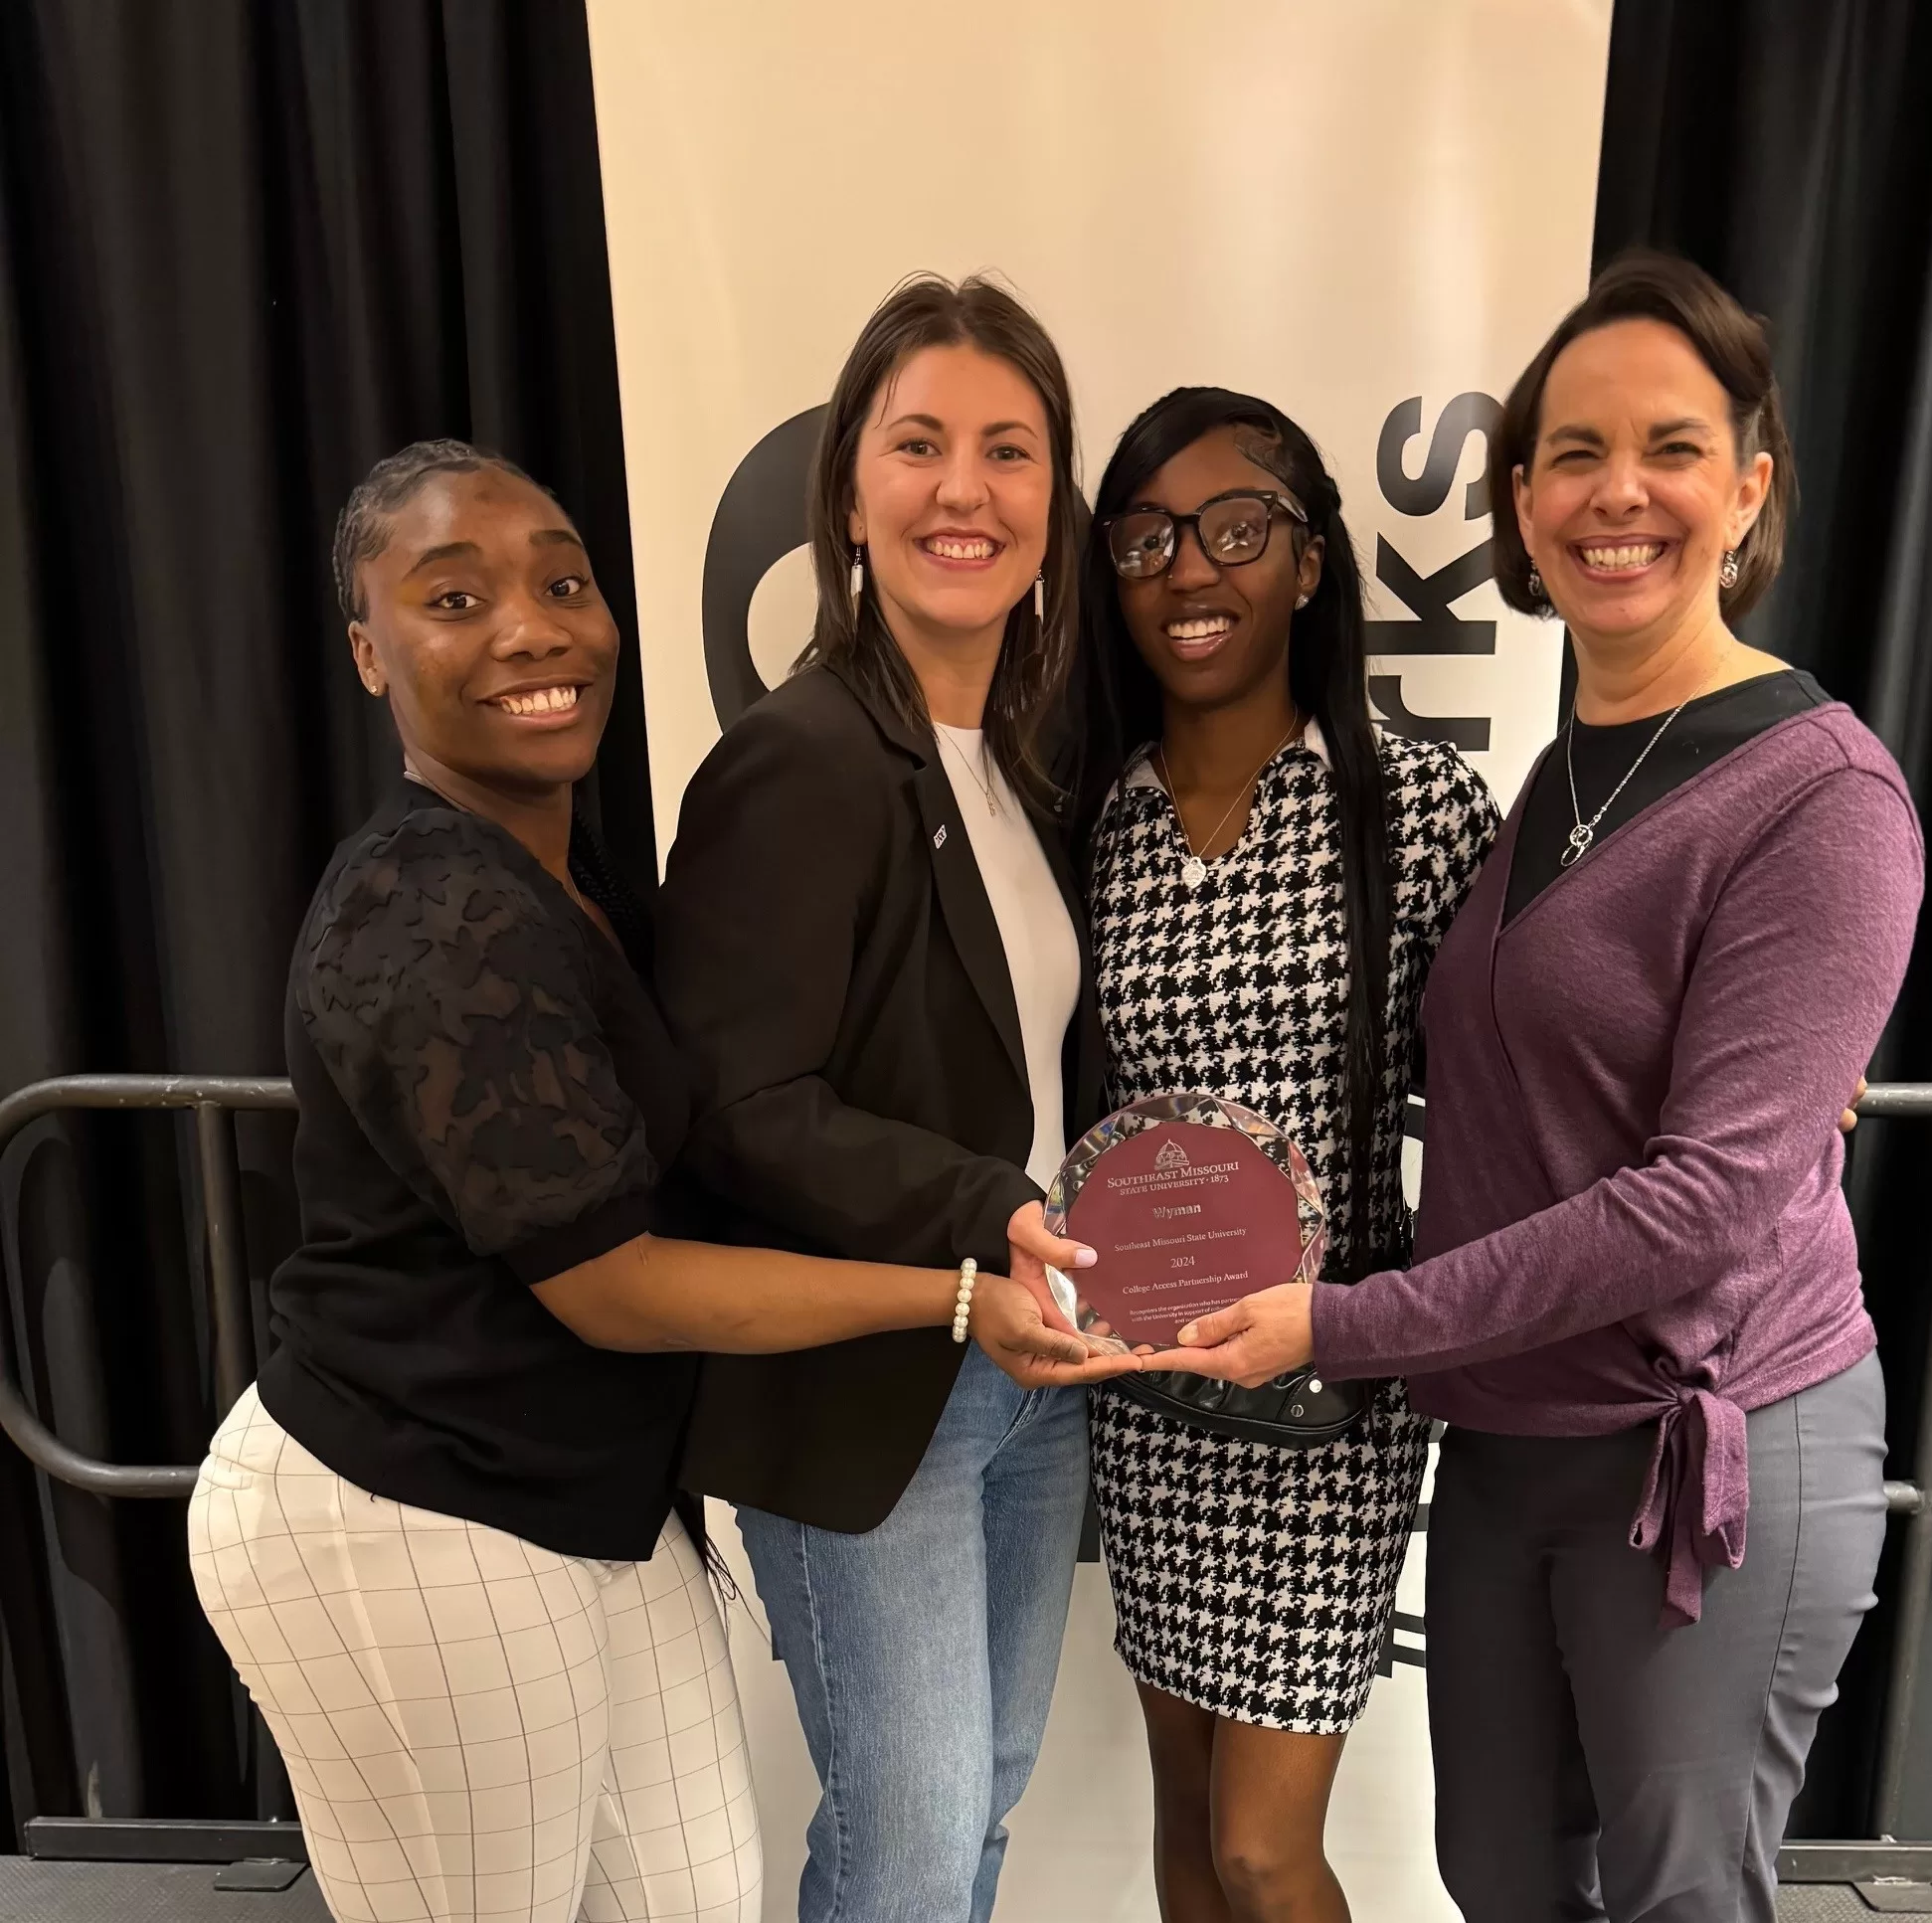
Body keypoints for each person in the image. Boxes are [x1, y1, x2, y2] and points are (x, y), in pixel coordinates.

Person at [187, 439, 1130, 1923]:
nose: (529, 626)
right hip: (410, 1501)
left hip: (595, 1497)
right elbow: (615, 1283)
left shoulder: (572, 881)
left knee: (698, 1892)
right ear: (369, 651)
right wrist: (956, 1287)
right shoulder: (429, 910)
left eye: (562, 580)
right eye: (454, 596)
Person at [1157, 253, 1926, 1923]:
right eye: (1572, 452)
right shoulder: (1563, 773)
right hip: (1506, 1437)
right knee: (1495, 1878)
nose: (1615, 493)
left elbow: (1698, 1205)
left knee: (1675, 1898)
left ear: (1748, 483)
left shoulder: (1822, 795)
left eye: (1666, 445)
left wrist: (1336, 1322)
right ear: (1519, 497)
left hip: (1698, 1451)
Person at [653, 276, 1106, 1923]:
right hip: (871, 1393)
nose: (962, 491)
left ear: (1054, 502)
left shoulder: (1029, 760)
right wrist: (984, 1212)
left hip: (1038, 1373)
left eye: (1008, 450)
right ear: (849, 486)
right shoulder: (802, 760)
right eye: (918, 444)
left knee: (976, 1809)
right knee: (907, 1836)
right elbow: (739, 1108)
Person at [1074, 389, 1496, 1922]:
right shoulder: (1087, 822)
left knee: (1263, 1845)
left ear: (1307, 562)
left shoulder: (1419, 809)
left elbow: (1539, 1048)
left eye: (1234, 528)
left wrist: (1752, 1058)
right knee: (1184, 1817)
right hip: (1149, 1392)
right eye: (1144, 540)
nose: (1189, 570)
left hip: (1326, 1389)